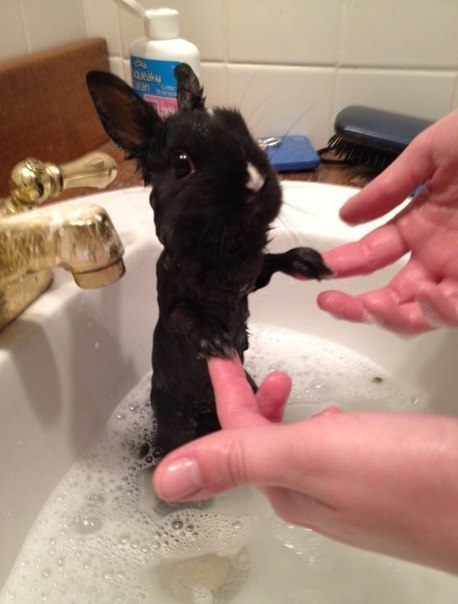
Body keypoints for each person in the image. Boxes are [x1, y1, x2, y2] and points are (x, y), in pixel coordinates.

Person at [153, 109, 458, 574]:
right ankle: (180, 529)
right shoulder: (175, 266)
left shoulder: (231, 256)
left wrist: (280, 262)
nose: (255, 180)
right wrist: (200, 332)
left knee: (249, 419)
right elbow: (177, 312)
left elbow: (244, 279)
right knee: (178, 452)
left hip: (228, 370)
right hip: (179, 391)